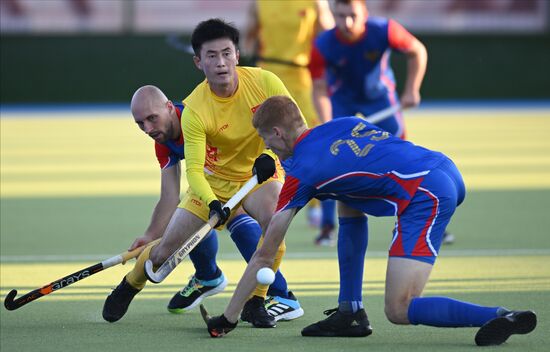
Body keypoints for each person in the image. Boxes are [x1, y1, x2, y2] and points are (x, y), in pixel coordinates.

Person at [203, 96, 537, 346]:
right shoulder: (341, 124)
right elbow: (362, 166)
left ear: (277, 133)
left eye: (265, 139)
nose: (266, 146)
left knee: (399, 308)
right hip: (444, 168)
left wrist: (229, 317)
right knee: (346, 199)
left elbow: (265, 253)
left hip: (426, 192)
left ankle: (499, 315)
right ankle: (350, 312)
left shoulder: (303, 173)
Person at [102, 19, 306, 328]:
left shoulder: (265, 82)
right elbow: (195, 171)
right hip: (213, 182)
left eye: (226, 53)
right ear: (199, 62)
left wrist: (268, 155)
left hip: (259, 175)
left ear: (237, 54)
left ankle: (256, 300)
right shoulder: (195, 109)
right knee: (162, 253)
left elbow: (294, 126)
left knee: (273, 220)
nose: (221, 62)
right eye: (212, 56)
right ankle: (131, 284)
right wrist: (212, 202)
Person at [308, 0, 435, 245]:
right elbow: (319, 89)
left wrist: (412, 90)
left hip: (381, 99)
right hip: (342, 100)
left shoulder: (385, 30)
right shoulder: (322, 45)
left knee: (404, 157)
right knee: (331, 159)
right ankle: (326, 227)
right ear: (333, 13)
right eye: (341, 15)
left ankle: (414, 220)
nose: (347, 22)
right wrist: (327, 125)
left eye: (353, 15)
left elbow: (417, 51)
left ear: (365, 13)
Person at [243, 0, 334, 229]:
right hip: (267, 75)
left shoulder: (315, 2)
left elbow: (330, 36)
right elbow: (248, 38)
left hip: (301, 77)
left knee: (308, 137)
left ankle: (315, 205)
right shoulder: (260, 3)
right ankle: (246, 201)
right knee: (259, 138)